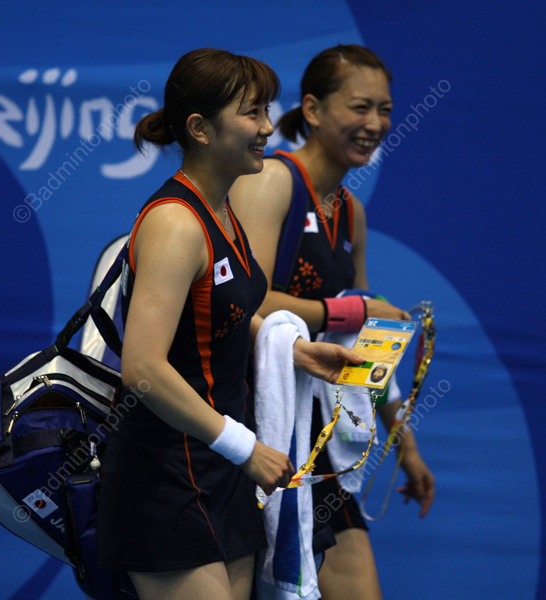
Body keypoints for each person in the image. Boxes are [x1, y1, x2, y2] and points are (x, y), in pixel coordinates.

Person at [96, 48, 367, 600]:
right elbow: (143, 369)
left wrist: (292, 350)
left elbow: (222, 316)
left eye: (267, 111)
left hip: (222, 468)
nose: (268, 127)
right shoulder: (175, 223)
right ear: (200, 128)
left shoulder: (224, 214)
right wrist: (245, 447)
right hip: (165, 475)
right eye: (252, 113)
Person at [230, 44, 435, 600]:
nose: (376, 124)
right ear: (314, 110)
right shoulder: (272, 181)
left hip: (320, 447)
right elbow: (243, 302)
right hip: (254, 434)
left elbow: (366, 347)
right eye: (360, 107)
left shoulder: (351, 212)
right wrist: (355, 308)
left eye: (385, 110)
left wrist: (406, 446)